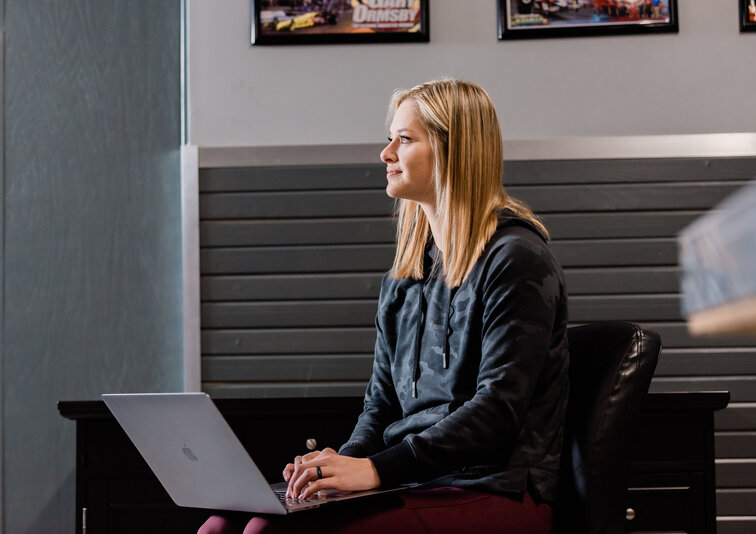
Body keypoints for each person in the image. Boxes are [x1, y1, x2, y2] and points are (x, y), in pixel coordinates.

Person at [198, 79, 569, 534]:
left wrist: (374, 471)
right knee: (220, 526)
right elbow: (381, 404)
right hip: (412, 481)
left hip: (493, 488)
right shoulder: (404, 276)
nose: (386, 153)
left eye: (405, 139)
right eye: (389, 138)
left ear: (456, 151)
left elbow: (497, 410)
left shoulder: (516, 257)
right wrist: (341, 464)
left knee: (267, 531)